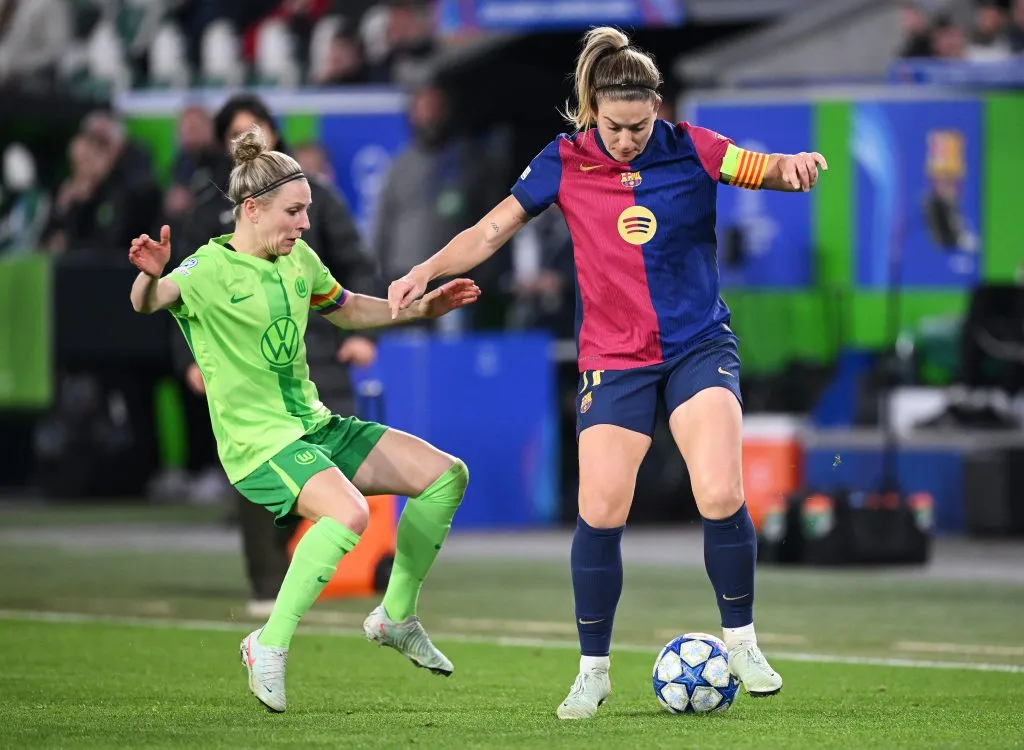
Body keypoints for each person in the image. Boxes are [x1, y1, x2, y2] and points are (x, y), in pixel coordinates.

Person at [387, 26, 827, 719]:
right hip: (615, 359)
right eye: (616, 127)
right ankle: (593, 670)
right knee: (600, 511)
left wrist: (792, 167)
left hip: (696, 346)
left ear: (659, 107)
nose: (628, 139)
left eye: (640, 125)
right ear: (593, 108)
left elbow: (757, 166)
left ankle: (740, 639)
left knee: (719, 490)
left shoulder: (692, 148)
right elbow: (491, 231)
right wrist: (425, 270)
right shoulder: (563, 161)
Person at [128, 124, 480, 713]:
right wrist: (150, 272)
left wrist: (421, 309)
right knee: (348, 512)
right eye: (294, 212)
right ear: (253, 209)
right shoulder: (205, 270)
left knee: (446, 476)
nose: (304, 224)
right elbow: (148, 302)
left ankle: (395, 617)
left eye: (308, 211)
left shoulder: (299, 261)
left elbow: (346, 311)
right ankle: (266, 645)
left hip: (314, 426)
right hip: (257, 444)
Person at [177, 93, 381, 617]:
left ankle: (318, 573)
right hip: (243, 366)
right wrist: (188, 359)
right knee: (262, 474)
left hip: (316, 348)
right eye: (239, 132)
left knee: (327, 456)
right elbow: (177, 291)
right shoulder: (209, 214)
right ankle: (268, 583)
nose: (300, 221)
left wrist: (364, 335)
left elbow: (354, 262)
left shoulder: (313, 199)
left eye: (258, 127)